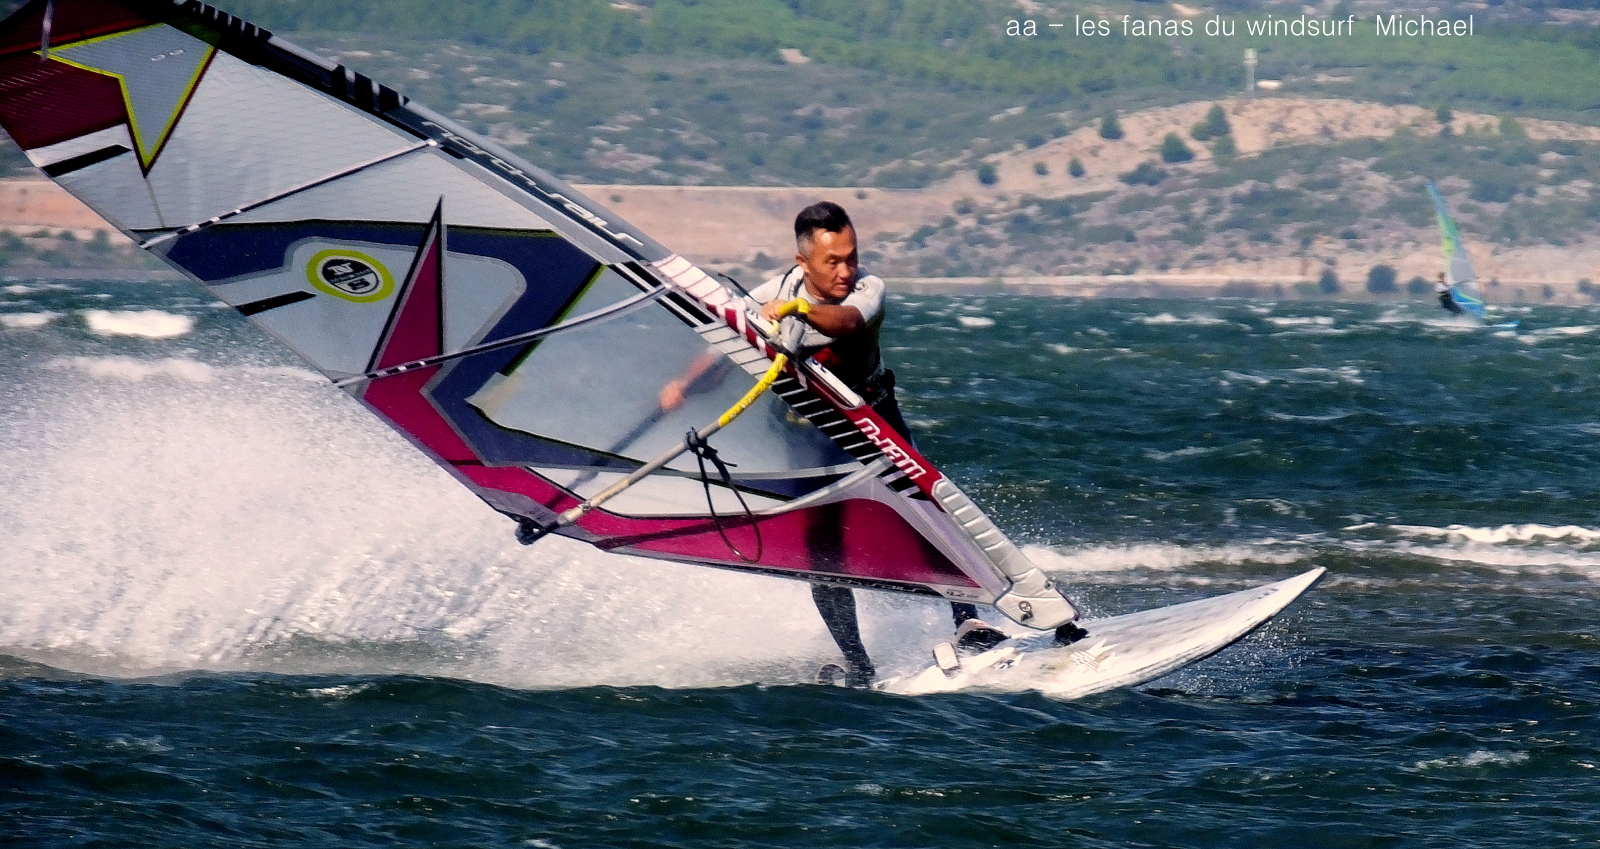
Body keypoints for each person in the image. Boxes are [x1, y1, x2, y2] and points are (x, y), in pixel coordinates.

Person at [740, 201, 1006, 686]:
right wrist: (682, 387)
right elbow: (723, 329)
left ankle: (969, 622)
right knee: (822, 554)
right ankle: (858, 663)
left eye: (852, 257)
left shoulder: (868, 289)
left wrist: (800, 310)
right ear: (803, 262)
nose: (846, 271)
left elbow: (848, 322)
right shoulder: (770, 294)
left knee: (925, 510)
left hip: (874, 417)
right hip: (808, 432)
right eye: (832, 261)